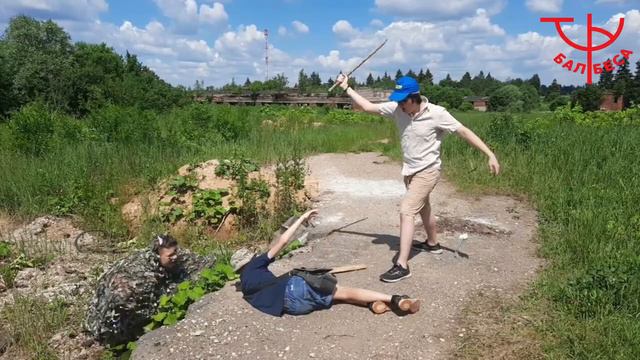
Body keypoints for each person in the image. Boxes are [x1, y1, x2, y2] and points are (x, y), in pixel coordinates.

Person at [334, 74, 500, 282]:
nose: (401, 104)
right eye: (399, 100)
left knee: (406, 210)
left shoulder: (437, 114)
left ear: (415, 97)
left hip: (428, 171)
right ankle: (433, 243)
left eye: (404, 100)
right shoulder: (397, 109)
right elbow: (367, 107)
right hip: (409, 171)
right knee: (424, 207)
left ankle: (402, 265)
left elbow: (464, 132)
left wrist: (489, 154)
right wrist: (346, 87)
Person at [233, 209, 421, 317]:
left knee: (338, 298)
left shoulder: (247, 291)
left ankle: (375, 305)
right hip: (293, 289)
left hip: (294, 308)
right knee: (345, 291)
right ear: (248, 261)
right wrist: (301, 219)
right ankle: (398, 299)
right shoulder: (255, 264)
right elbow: (282, 242)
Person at [85, 234, 216, 345]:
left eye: (175, 251)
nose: (175, 257)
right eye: (170, 255)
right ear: (157, 256)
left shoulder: (165, 258)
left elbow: (198, 261)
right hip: (112, 318)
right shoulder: (145, 278)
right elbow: (138, 304)